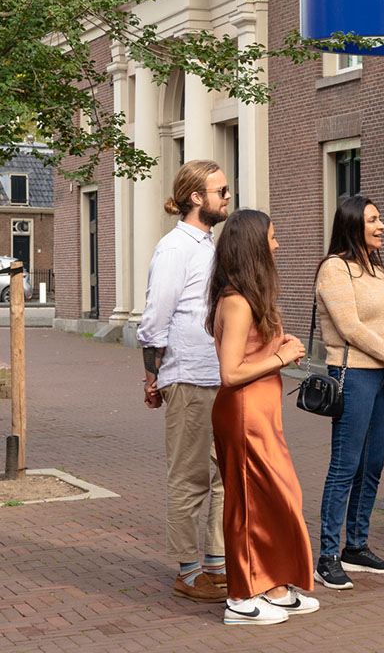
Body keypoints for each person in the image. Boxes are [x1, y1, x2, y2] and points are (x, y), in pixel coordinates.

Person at [208, 209, 319, 625]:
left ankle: (271, 583)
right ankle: (240, 597)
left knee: (275, 498)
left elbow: (250, 356)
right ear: (254, 245)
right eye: (272, 237)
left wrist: (278, 348)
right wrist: (280, 356)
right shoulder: (236, 301)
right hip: (243, 414)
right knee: (248, 503)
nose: (277, 244)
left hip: (260, 413)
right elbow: (230, 372)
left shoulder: (248, 297)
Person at [137, 159, 232, 604]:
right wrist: (154, 374)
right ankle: (188, 570)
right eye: (221, 191)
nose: (228, 197)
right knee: (188, 476)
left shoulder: (213, 246)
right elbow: (155, 317)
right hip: (189, 375)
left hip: (219, 374)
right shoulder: (174, 248)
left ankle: (216, 562)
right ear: (197, 198)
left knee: (221, 477)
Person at [314, 196, 384, 590]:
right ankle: (327, 555)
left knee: (372, 466)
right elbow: (350, 327)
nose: (382, 225)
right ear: (354, 224)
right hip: (353, 375)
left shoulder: (376, 269)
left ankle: (356, 546)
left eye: (380, 217)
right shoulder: (334, 269)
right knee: (345, 467)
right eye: (374, 219)